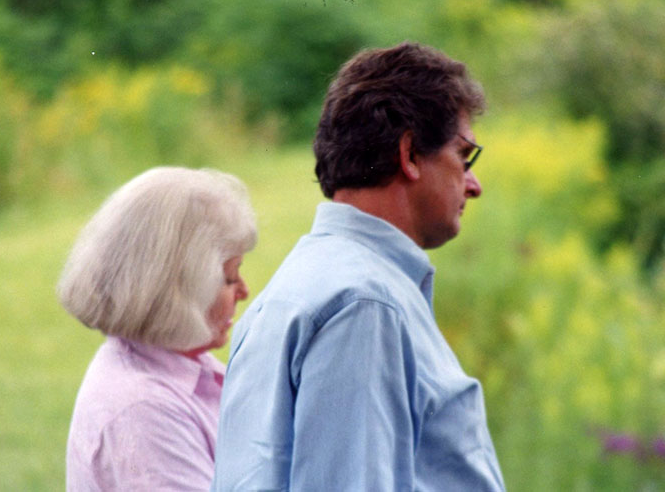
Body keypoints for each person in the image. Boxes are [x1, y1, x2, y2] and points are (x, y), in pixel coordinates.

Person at [213, 42, 505, 491]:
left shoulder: (299, 287)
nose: (474, 185)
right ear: (408, 154)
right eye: (463, 157)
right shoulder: (364, 303)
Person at [58, 166, 256, 491]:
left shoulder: (186, 363)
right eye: (229, 277)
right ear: (181, 288)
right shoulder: (142, 410)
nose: (244, 291)